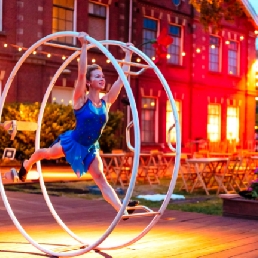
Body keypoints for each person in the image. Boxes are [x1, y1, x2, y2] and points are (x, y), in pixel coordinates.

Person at [18, 32, 138, 215]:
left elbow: (121, 80)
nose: (102, 79)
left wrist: (128, 56)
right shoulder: (80, 101)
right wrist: (83, 46)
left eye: (102, 76)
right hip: (74, 143)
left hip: (90, 148)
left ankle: (121, 210)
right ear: (89, 83)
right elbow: (81, 74)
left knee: (101, 178)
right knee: (48, 153)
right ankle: (27, 163)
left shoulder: (106, 101)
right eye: (97, 76)